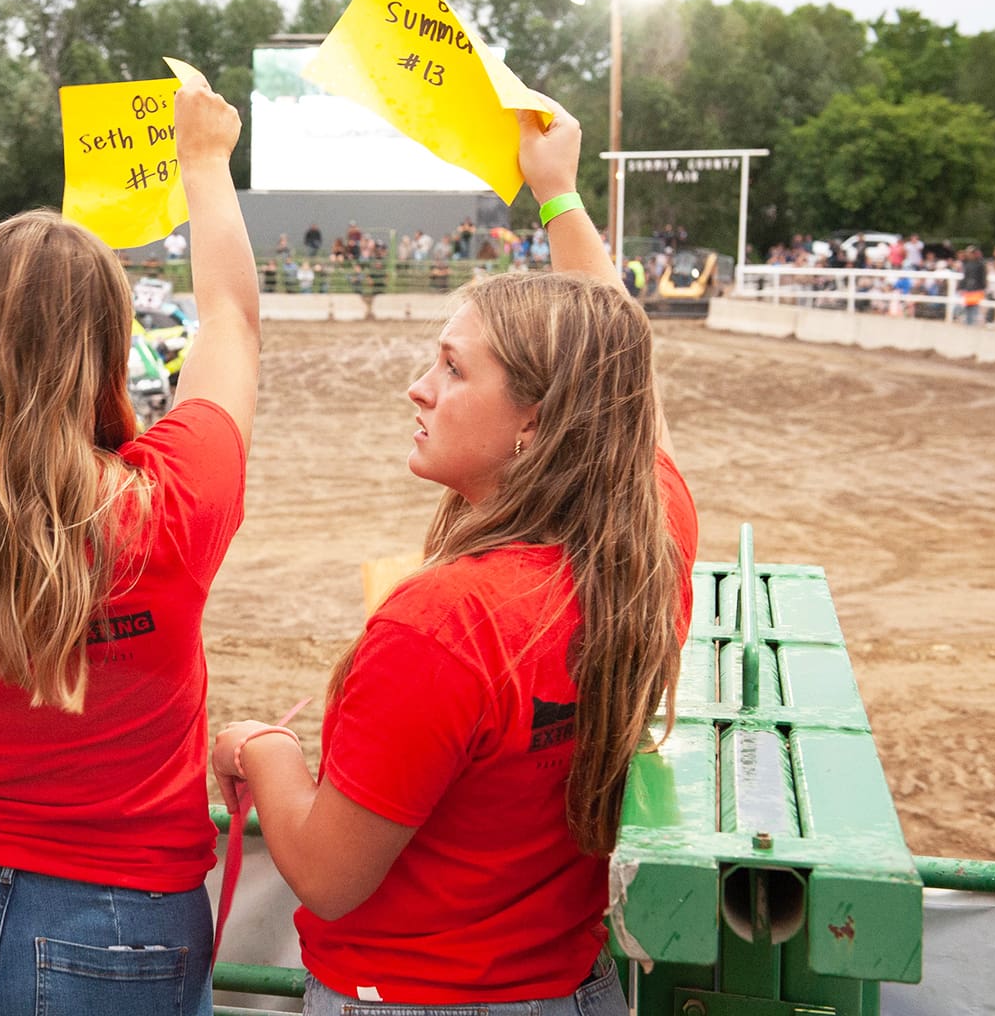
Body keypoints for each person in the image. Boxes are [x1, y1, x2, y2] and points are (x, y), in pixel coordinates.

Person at [211, 97, 696, 1015]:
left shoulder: (445, 623)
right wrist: (556, 195)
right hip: (569, 990)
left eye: (453, 368)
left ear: (537, 422)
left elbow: (328, 876)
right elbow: (630, 387)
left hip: (411, 996)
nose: (417, 386)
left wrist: (261, 748)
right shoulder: (646, 553)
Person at [0, 78, 259, 1016]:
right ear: (112, 351)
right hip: (128, 913)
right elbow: (230, 324)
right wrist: (206, 167)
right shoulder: (167, 510)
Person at [959, 246, 988, 326]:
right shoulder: (967, 264)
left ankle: (973, 323)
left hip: (977, 288)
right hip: (969, 288)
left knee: (975, 306)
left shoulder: (980, 264)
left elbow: (983, 277)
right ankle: (969, 322)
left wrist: (983, 288)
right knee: (968, 306)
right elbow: (965, 277)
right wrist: (961, 287)